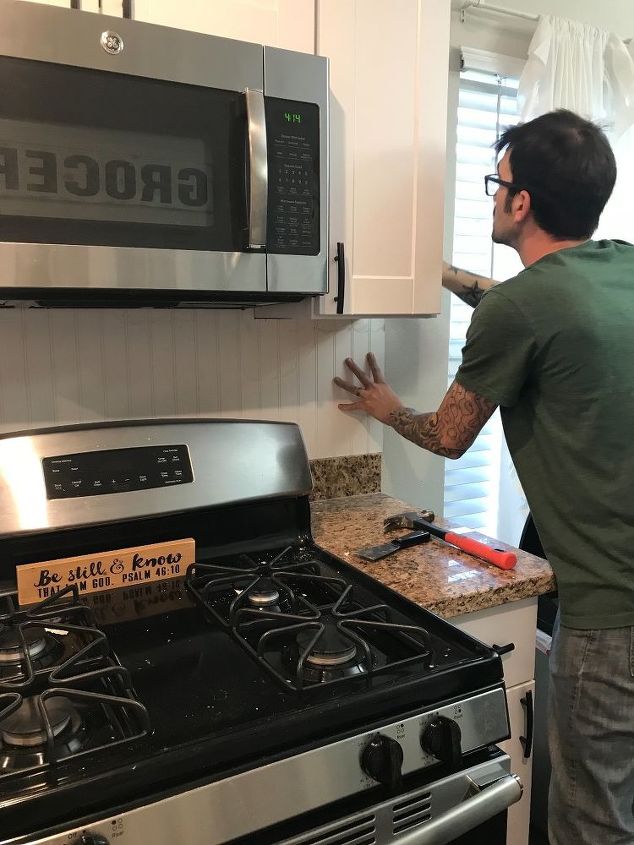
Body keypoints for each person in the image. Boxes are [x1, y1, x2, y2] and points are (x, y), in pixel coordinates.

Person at [333, 109, 634, 845]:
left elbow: (447, 435)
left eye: (494, 183)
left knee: (590, 818)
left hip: (610, 609)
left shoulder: (519, 308)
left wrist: (386, 406)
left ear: (521, 201)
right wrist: (434, 273)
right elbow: (531, 307)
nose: (491, 195)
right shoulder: (620, 264)